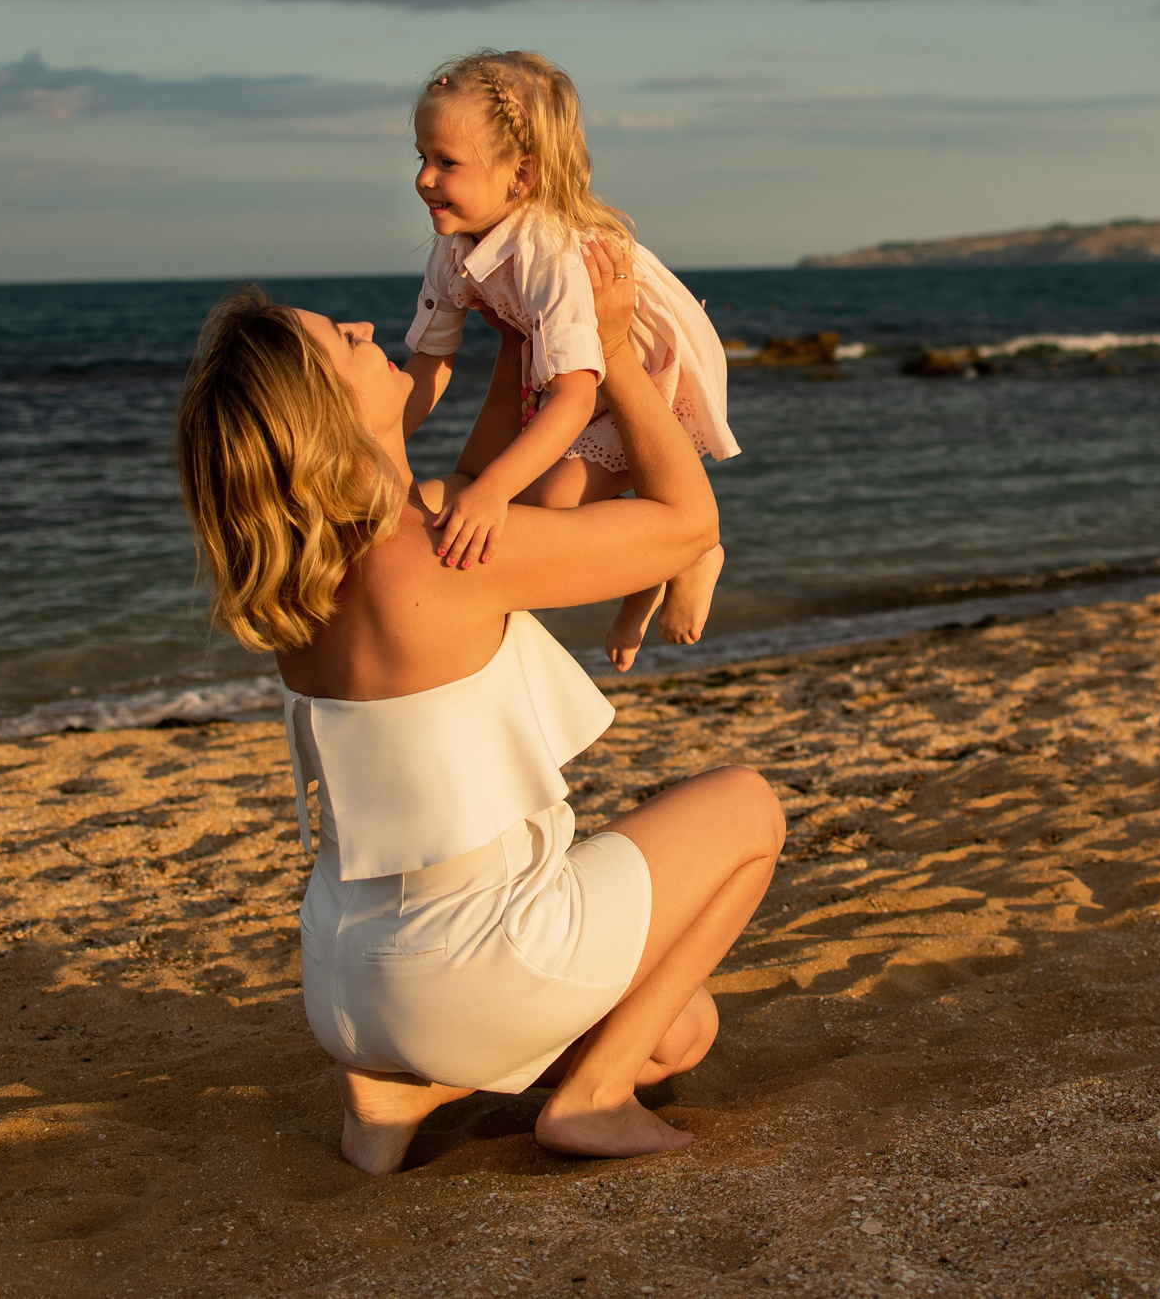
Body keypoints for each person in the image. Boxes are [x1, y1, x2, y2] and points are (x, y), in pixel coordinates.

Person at [173, 245, 785, 1174]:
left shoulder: (311, 576)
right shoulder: (445, 559)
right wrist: (612, 352)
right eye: (340, 342)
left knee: (674, 1019)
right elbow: (687, 522)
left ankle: (406, 1087)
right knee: (746, 817)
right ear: (330, 415)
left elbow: (474, 482)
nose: (367, 329)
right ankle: (594, 1095)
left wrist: (517, 350)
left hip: (343, 983)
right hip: (470, 967)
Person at [399, 49, 737, 671]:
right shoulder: (452, 251)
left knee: (545, 505)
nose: (424, 178)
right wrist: (374, 450)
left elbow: (578, 396)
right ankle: (652, 573)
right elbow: (427, 367)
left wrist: (495, 492)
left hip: (637, 371)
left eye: (446, 162)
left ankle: (691, 552)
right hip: (562, 377)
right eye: (422, 157)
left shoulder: (546, 253)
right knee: (488, 496)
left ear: (520, 177)